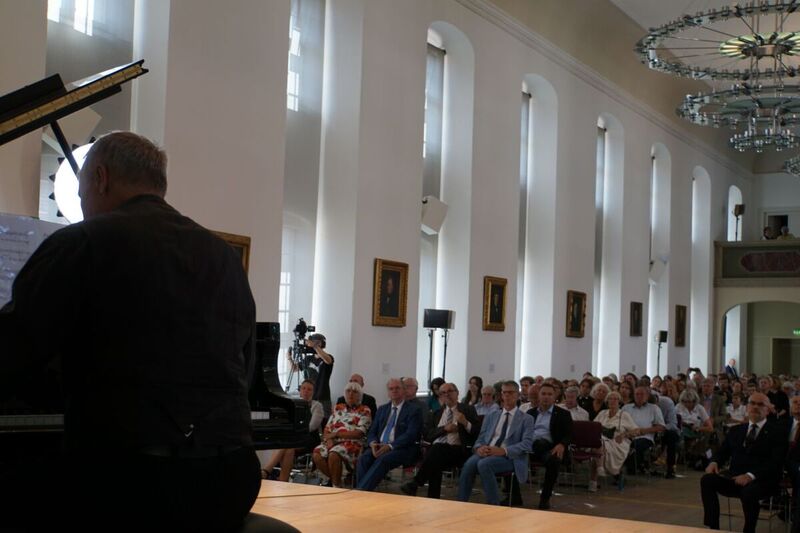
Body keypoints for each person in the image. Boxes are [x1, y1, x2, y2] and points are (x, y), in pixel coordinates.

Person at [0, 132, 263, 531]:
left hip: (133, 480)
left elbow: (11, 351)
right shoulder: (224, 256)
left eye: (83, 192)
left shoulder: (82, 242)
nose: (84, 205)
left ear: (100, 178)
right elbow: (243, 367)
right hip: (231, 476)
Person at [701, 392, 787, 533]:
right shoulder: (736, 430)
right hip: (735, 478)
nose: (755, 407)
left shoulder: (777, 432)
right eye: (752, 403)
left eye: (760, 404)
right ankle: (713, 527)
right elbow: (722, 452)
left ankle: (749, 530)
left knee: (749, 492)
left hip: (763, 481)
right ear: (747, 407)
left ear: (768, 409)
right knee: (707, 480)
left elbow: (775, 462)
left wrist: (750, 476)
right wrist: (714, 462)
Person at [457, 381, 535, 507]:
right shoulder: (492, 415)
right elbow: (481, 437)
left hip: (510, 457)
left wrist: (503, 451)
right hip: (487, 451)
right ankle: (460, 503)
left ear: (518, 395)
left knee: (484, 464)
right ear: (501, 395)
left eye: (511, 392)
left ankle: (493, 505)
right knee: (469, 465)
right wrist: (478, 448)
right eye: (505, 392)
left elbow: (527, 444)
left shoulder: (527, 419)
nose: (507, 395)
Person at [401, 383, 480, 499]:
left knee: (436, 450)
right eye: (443, 393)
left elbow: (477, 432)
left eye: (450, 391)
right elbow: (427, 435)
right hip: (437, 452)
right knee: (436, 456)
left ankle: (416, 483)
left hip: (459, 451)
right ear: (440, 397)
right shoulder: (435, 413)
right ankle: (432, 498)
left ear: (457, 393)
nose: (446, 394)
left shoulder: (468, 410)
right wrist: (444, 429)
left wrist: (465, 422)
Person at [356, 378, 423, 491]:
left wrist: (390, 446)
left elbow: (411, 434)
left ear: (404, 390)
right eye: (391, 389)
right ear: (388, 392)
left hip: (402, 448)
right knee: (364, 458)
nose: (394, 391)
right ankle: (364, 492)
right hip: (379, 446)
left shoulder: (414, 410)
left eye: (397, 388)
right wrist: (372, 443)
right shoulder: (382, 409)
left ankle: (360, 493)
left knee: (383, 459)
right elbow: (372, 431)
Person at [262, 379, 324, 481]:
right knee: (288, 449)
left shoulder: (317, 406)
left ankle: (266, 470)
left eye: (309, 389)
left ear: (313, 392)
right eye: (303, 388)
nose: (306, 391)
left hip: (308, 438)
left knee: (286, 444)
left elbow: (312, 426)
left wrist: (293, 431)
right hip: (292, 438)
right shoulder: (293, 403)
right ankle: (282, 482)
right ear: (300, 390)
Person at [313, 382, 372, 487]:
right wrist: (330, 440)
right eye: (348, 391)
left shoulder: (365, 410)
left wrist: (336, 435)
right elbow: (327, 429)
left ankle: (335, 486)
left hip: (352, 443)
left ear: (360, 395)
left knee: (334, 454)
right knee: (317, 453)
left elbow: (359, 433)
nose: (351, 394)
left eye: (354, 392)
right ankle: (337, 483)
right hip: (333, 442)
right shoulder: (338, 408)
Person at [525, 383, 573, 510]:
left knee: (554, 460)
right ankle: (513, 495)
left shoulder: (563, 414)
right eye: (543, 394)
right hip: (529, 447)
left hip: (550, 447)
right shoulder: (530, 413)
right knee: (510, 454)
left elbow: (569, 434)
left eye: (549, 394)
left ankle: (544, 498)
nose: (546, 397)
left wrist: (562, 445)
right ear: (539, 396)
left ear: (555, 397)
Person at [590, 391, 638, 491]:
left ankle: (593, 481)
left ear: (619, 402)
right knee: (597, 442)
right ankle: (599, 469)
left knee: (596, 446)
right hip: (601, 439)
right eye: (610, 399)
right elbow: (593, 427)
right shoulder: (603, 413)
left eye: (615, 399)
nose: (613, 401)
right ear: (607, 401)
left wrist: (624, 434)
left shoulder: (624, 415)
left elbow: (636, 430)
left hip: (618, 441)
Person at [621, 386, 665, 474]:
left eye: (642, 394)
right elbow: (620, 422)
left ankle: (629, 467)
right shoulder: (626, 408)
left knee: (637, 445)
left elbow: (661, 427)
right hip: (627, 435)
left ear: (647, 396)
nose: (639, 396)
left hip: (645, 436)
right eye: (637, 394)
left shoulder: (654, 408)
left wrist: (644, 431)